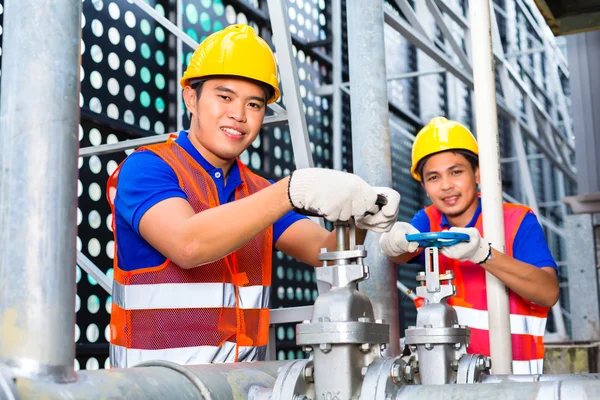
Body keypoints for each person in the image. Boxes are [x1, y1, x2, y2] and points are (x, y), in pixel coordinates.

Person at [106, 24, 401, 368]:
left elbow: (324, 252)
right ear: (191, 98)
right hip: (155, 389)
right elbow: (187, 245)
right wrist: (288, 192)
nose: (239, 115)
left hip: (239, 387)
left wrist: (360, 216)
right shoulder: (148, 168)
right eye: (225, 97)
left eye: (255, 104)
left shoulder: (257, 191)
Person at [379, 117, 559, 374]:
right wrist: (392, 242)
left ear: (477, 173)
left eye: (456, 172)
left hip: (516, 381)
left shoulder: (516, 220)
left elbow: (548, 292)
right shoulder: (428, 220)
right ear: (424, 186)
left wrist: (483, 254)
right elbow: (402, 252)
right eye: (433, 177)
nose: (446, 186)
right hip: (448, 378)